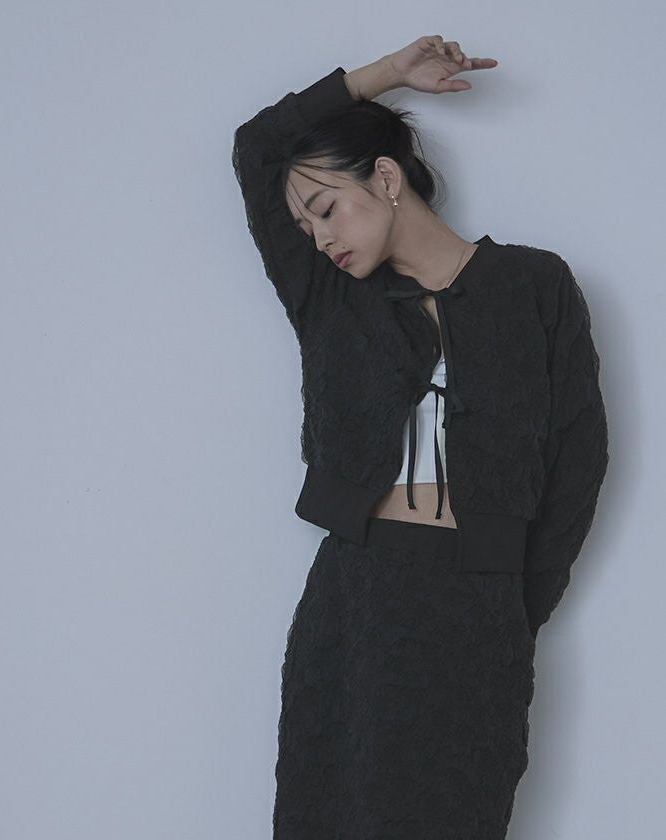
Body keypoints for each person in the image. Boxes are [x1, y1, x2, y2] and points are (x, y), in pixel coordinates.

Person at [231, 34, 609, 840]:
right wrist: (384, 76)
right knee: (327, 811)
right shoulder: (330, 299)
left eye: (326, 209)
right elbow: (257, 147)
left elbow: (578, 460)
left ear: (386, 177)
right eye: (303, 226)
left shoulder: (535, 286)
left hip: (477, 605)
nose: (320, 238)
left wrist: (511, 601)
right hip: (355, 594)